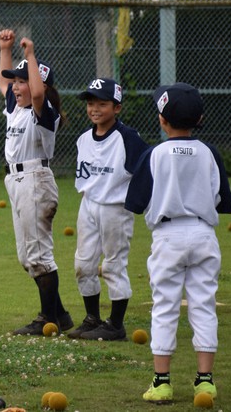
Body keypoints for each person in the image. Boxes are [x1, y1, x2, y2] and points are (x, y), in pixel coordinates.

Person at [125, 83, 231, 404]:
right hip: (203, 234)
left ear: (162, 120)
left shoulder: (154, 154)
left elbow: (137, 201)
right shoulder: (210, 153)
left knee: (165, 306)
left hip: (168, 235)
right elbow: (220, 200)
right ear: (200, 117)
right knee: (203, 305)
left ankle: (162, 382)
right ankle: (205, 381)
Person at [0, 29, 72, 335]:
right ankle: (61, 315)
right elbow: (3, 82)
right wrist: (6, 48)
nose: (16, 86)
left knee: (39, 255)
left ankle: (47, 318)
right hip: (16, 181)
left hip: (35, 180)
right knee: (27, 257)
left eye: (23, 80)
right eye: (17, 80)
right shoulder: (16, 109)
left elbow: (39, 94)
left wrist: (30, 55)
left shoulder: (44, 114)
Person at [68, 78, 149, 341]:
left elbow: (147, 170)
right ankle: (92, 319)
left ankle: (115, 324)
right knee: (83, 263)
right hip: (89, 205)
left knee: (113, 265)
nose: (94, 108)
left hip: (115, 208)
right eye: (91, 103)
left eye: (102, 103)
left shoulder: (128, 138)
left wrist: (139, 201)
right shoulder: (83, 139)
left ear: (117, 108)